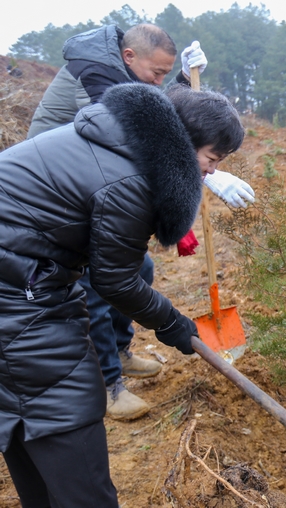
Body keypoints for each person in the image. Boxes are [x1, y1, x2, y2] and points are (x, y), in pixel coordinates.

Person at [0, 82, 245, 507]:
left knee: (21, 413)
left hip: (24, 279)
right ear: (184, 142)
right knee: (65, 408)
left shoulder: (115, 137)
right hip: (19, 297)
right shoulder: (129, 179)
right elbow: (115, 281)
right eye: (212, 158)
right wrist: (173, 324)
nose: (210, 171)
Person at [26, 23, 254, 420]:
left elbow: (163, 117)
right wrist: (205, 172)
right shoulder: (96, 74)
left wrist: (184, 83)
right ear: (129, 58)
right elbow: (148, 137)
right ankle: (108, 384)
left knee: (141, 266)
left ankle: (118, 349)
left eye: (167, 75)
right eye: (158, 74)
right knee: (95, 288)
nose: (160, 81)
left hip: (78, 189)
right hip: (50, 207)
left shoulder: (123, 72)